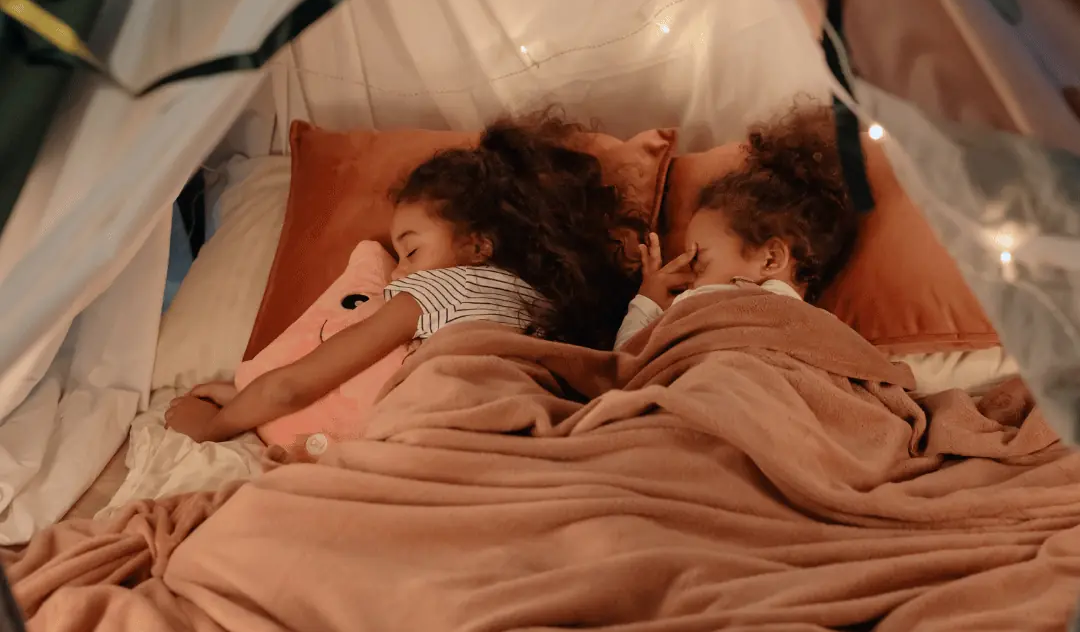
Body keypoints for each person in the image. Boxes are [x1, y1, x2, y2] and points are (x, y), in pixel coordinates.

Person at [165, 114, 639, 443]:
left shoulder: (436, 288)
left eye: (411, 250)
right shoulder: (546, 305)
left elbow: (293, 387)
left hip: (444, 437)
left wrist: (213, 426)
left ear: (479, 247)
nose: (399, 271)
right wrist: (650, 298)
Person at [616, 105, 859, 348]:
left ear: (771, 260)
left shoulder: (704, 304)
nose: (687, 282)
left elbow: (625, 360)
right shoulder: (830, 334)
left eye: (700, 264)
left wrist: (647, 301)